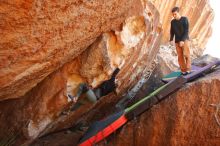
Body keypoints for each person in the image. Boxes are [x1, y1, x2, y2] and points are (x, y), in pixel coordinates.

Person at [169, 6, 191, 75]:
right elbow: (172, 31)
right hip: (177, 41)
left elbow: (186, 30)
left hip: (185, 40)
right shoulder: (172, 22)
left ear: (178, 13)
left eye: (175, 14)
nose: (174, 16)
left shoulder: (184, 19)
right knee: (180, 56)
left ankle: (188, 69)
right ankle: (183, 70)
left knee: (186, 54)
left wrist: (182, 40)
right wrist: (171, 39)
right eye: (173, 14)